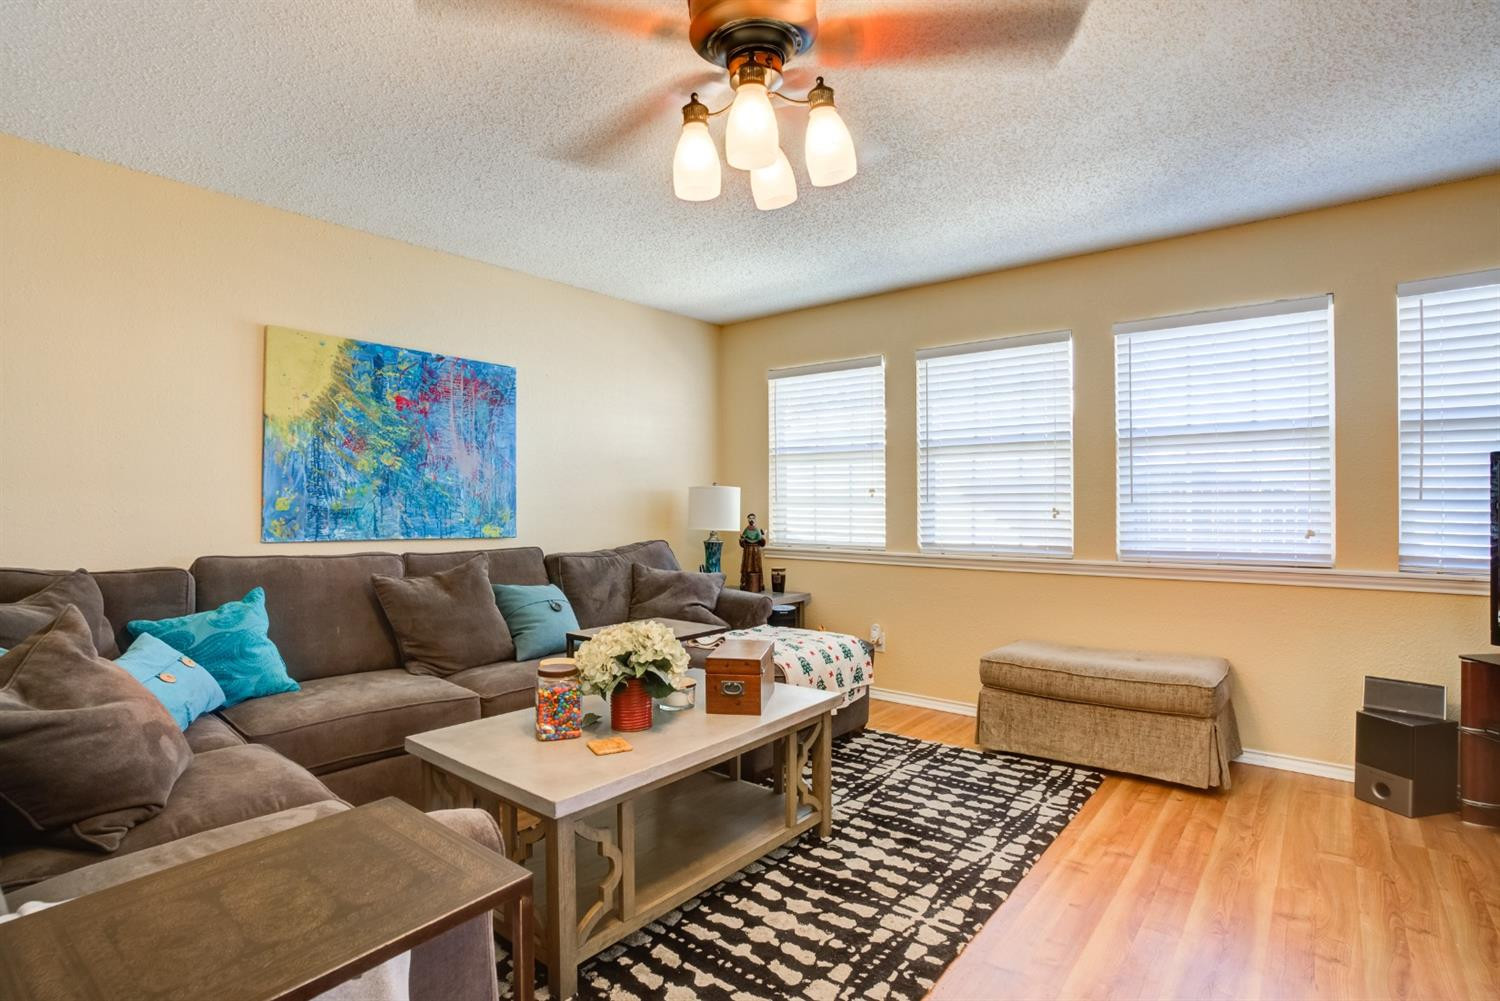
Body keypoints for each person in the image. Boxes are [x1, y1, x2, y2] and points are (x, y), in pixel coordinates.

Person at [739, 514, 767, 592]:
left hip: (756, 550)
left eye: (753, 518)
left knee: (757, 566)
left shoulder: (757, 529)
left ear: (755, 519)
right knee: (747, 565)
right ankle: (745, 583)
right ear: (748, 519)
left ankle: (759, 583)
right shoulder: (746, 530)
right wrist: (742, 540)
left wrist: (763, 537)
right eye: (750, 518)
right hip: (748, 550)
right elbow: (742, 541)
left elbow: (762, 542)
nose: (751, 520)